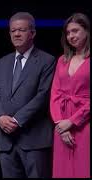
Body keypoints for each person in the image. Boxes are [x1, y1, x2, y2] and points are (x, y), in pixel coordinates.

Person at [0, 12, 56, 178]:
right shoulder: (2, 62)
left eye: (22, 30)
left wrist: (17, 120)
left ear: (32, 33)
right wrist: (0, 117)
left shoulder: (47, 60)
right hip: (6, 140)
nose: (16, 34)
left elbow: (43, 95)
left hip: (34, 139)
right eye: (13, 31)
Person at [50, 13, 90, 178]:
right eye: (68, 33)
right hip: (61, 126)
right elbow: (55, 93)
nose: (71, 36)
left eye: (75, 31)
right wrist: (61, 124)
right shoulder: (62, 60)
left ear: (87, 31)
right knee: (62, 171)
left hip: (85, 123)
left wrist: (72, 121)